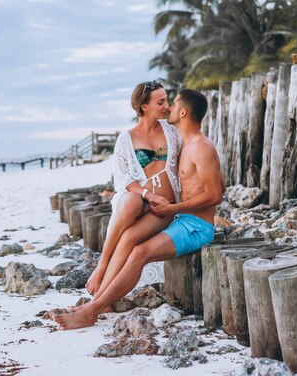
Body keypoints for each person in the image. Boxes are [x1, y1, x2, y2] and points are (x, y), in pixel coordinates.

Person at [55, 89, 224, 330]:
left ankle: (90, 311)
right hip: (181, 220)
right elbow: (221, 183)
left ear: (183, 112)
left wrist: (174, 206)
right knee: (131, 242)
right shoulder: (185, 143)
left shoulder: (200, 147)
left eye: (173, 104)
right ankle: (97, 303)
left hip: (197, 227)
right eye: (164, 102)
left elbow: (216, 194)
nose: (169, 108)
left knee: (138, 254)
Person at [82, 80, 181, 311]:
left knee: (127, 239)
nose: (166, 105)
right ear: (144, 107)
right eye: (161, 101)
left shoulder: (172, 131)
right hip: (139, 202)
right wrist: (148, 194)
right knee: (130, 200)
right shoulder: (126, 139)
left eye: (166, 100)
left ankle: (99, 301)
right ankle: (102, 266)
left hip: (163, 208)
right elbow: (124, 180)